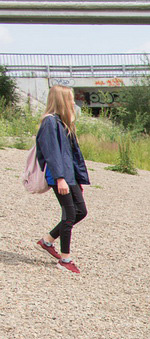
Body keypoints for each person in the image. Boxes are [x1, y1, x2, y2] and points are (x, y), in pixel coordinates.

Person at [34, 84, 89, 274]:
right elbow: (51, 154)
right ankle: (65, 259)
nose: (73, 101)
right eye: (70, 98)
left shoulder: (63, 122)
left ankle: (47, 240)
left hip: (69, 176)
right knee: (69, 214)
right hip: (60, 176)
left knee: (81, 211)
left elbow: (72, 155)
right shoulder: (49, 123)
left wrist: (78, 179)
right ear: (62, 100)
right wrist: (59, 179)